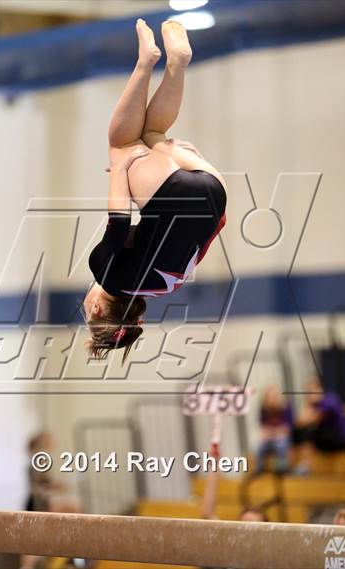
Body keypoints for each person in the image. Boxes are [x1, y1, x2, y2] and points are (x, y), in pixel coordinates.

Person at [84, 18, 227, 363]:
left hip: (214, 194)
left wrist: (182, 163)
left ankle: (176, 63)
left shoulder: (165, 287)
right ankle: (146, 60)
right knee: (122, 143)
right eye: (87, 315)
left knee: (153, 134)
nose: (85, 306)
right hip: (178, 195)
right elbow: (118, 226)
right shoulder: (108, 275)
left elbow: (202, 242)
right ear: (101, 307)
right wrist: (119, 171)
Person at [291, 377, 345, 474]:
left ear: (319, 389)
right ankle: (301, 464)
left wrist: (309, 405)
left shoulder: (330, 399)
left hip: (340, 439)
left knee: (307, 433)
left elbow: (309, 419)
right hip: (326, 438)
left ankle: (305, 465)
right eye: (307, 393)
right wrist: (309, 404)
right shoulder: (315, 404)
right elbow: (298, 422)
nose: (308, 395)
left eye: (310, 391)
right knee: (297, 432)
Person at [255, 385, 293, 474]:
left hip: (282, 437)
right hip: (269, 437)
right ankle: (260, 470)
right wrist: (269, 433)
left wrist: (275, 432)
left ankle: (281, 470)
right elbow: (262, 427)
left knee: (281, 446)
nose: (271, 399)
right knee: (259, 448)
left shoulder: (285, 407)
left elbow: (288, 428)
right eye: (269, 397)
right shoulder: (264, 409)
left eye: (273, 396)